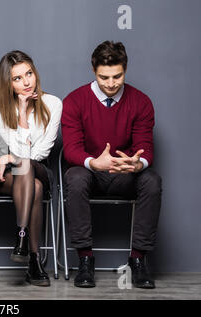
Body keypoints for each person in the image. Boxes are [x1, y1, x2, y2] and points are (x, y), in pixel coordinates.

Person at [61, 41, 162, 289]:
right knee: (74, 177)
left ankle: (138, 260)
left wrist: (137, 164)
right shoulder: (75, 101)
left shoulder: (141, 102)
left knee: (151, 180)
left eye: (117, 76)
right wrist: (94, 162)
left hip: (125, 174)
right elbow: (72, 149)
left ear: (125, 70)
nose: (111, 83)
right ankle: (85, 260)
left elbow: (146, 148)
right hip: (91, 174)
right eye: (103, 77)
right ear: (93, 71)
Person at [0, 50, 62, 286]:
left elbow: (41, 153)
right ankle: (35, 260)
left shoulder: (53, 103)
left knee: (30, 166)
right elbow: (20, 153)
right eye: (17, 78)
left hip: (41, 169)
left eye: (29, 73)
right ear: (8, 83)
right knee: (35, 188)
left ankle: (21, 237)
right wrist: (21, 112)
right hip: (15, 178)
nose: (27, 82)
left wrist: (8, 157)